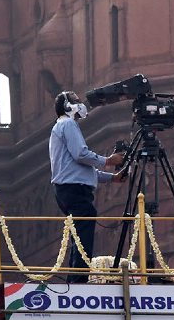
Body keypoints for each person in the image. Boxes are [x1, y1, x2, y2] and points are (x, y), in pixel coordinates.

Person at [49, 91, 125, 282]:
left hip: (68, 189)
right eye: (75, 100)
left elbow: (81, 169)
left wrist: (113, 178)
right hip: (74, 190)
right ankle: (78, 282)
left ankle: (75, 280)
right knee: (83, 237)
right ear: (67, 106)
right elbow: (81, 155)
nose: (80, 103)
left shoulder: (61, 127)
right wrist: (108, 160)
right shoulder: (67, 124)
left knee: (79, 237)